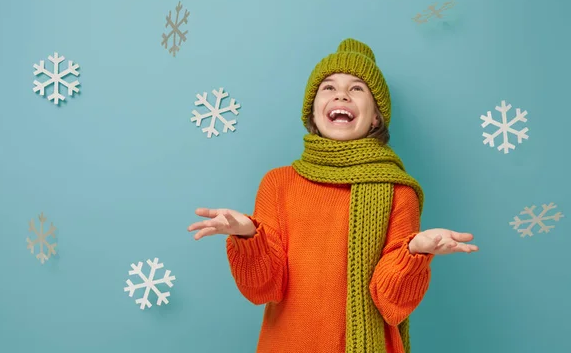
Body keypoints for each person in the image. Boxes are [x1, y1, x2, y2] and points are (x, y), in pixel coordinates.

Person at [187, 38, 479, 353]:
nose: (341, 93)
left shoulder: (398, 190)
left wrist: (415, 252)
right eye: (328, 87)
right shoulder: (278, 183)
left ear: (376, 117)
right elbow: (264, 289)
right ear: (313, 113)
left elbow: (392, 304)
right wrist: (248, 236)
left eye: (357, 88)